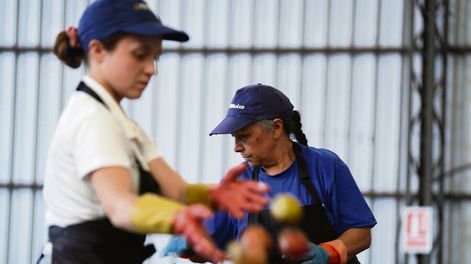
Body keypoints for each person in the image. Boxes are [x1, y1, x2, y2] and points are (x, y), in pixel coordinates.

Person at [40, 1, 268, 263]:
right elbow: (120, 206)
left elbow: (178, 191)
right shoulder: (91, 118)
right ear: (98, 50)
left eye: (155, 57)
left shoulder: (122, 123)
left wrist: (214, 195)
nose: (152, 69)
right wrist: (178, 218)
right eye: (140, 55)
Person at [163, 83, 377, 264]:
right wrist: (190, 244)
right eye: (234, 138)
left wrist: (329, 253)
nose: (236, 147)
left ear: (276, 128)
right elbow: (213, 246)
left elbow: (361, 234)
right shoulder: (238, 183)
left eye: (244, 136)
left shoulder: (325, 166)